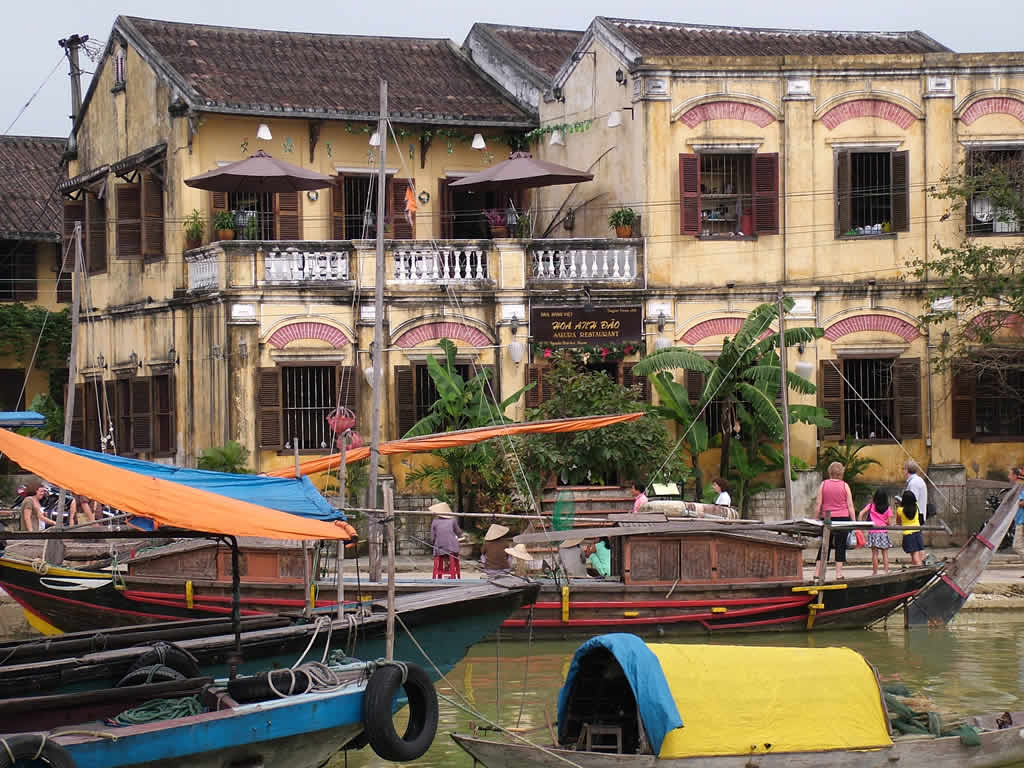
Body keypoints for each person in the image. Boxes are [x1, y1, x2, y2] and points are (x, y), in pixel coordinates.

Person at [813, 461, 856, 580]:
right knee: (840, 545)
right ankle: (838, 574)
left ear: (830, 472)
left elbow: (818, 503)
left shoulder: (823, 484)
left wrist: (815, 519)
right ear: (841, 473)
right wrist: (854, 522)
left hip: (827, 519)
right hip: (843, 519)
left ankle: (817, 572)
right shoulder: (845, 486)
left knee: (824, 544)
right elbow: (850, 506)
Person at [858, 488, 893, 575]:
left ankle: (875, 572)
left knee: (874, 554)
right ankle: (886, 572)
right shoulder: (888, 508)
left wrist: (860, 525)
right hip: (883, 532)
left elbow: (861, 513)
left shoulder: (871, 506)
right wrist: (885, 521)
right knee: (885, 553)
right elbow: (890, 523)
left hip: (873, 532)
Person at [428, 501, 462, 579]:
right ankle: (449, 567)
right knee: (452, 549)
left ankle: (445, 566)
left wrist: (434, 544)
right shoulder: (453, 520)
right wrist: (460, 536)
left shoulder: (435, 521)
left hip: (439, 547)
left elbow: (432, 537)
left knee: (443, 551)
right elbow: (458, 532)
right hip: (452, 548)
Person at [897, 489, 925, 566]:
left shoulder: (900, 510)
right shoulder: (916, 507)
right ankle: (916, 568)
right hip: (918, 532)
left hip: (908, 534)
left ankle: (920, 569)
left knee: (914, 554)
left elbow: (898, 522)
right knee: (917, 553)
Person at [904, 460, 928, 525]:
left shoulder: (914, 483)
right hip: (918, 516)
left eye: (904, 469)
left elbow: (912, 501)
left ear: (907, 470)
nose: (903, 471)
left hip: (915, 518)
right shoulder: (917, 480)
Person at [1011, 467, 1024, 555]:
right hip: (1019, 520)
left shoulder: (1021, 487)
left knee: (1017, 546)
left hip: (1021, 521)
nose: (1009, 477)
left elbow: (1022, 502)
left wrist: (1016, 504)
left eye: (1010, 474)